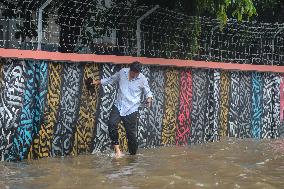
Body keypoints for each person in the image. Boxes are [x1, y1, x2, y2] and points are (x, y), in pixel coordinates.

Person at [90, 61, 153, 158]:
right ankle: (118, 151)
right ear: (130, 70)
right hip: (119, 106)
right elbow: (111, 80)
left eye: (137, 74)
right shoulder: (122, 72)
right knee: (111, 124)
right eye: (133, 73)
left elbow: (147, 91)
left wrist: (149, 99)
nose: (135, 75)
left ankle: (133, 157)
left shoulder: (142, 79)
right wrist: (96, 82)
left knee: (131, 135)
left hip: (131, 109)